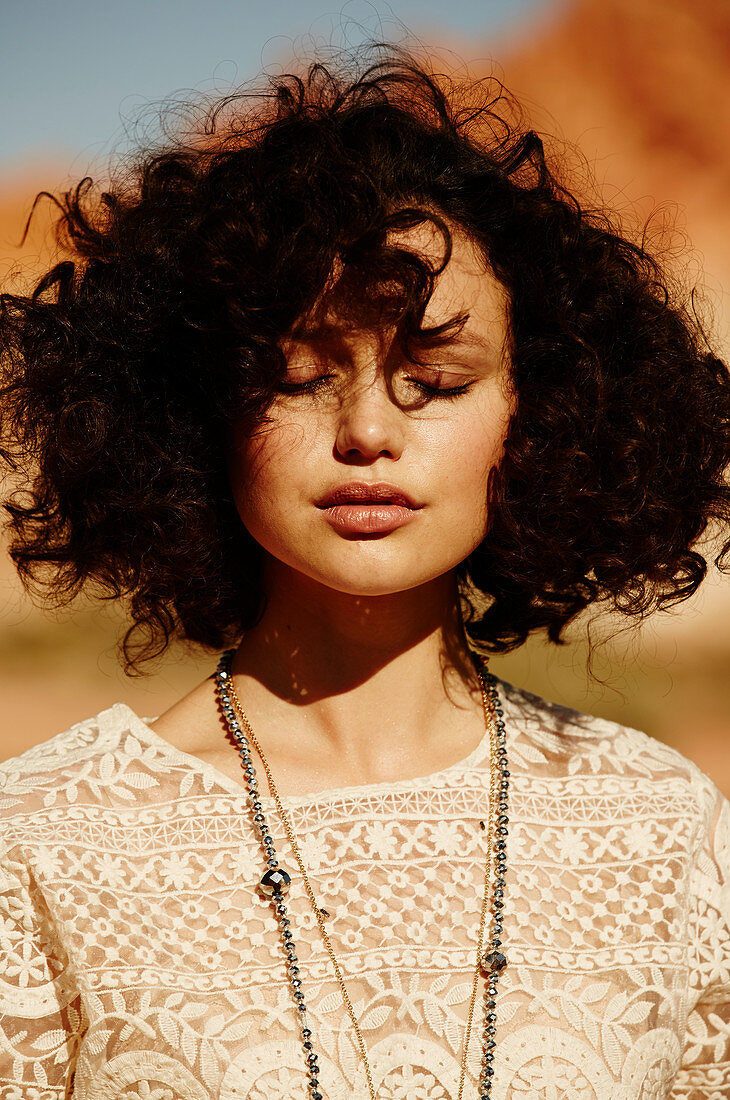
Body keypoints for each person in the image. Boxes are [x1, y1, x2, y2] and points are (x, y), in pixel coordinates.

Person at [0, 43, 729, 1100]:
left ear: (535, 416)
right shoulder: (44, 837)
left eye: (432, 379)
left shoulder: (661, 822)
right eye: (299, 374)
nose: (369, 430)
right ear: (199, 411)